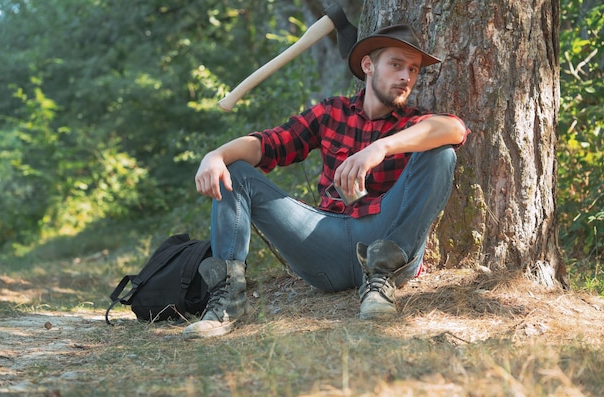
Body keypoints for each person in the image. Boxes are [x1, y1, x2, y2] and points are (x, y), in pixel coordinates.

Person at [183, 24, 469, 339]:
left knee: (440, 153)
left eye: (413, 69)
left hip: (386, 239)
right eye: (396, 65)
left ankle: (380, 280)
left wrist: (380, 148)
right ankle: (228, 299)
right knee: (234, 170)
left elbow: (454, 129)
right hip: (326, 243)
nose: (406, 77)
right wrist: (215, 155)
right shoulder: (332, 112)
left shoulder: (413, 124)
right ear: (368, 66)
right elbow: (268, 144)